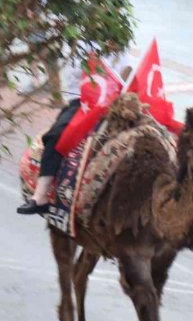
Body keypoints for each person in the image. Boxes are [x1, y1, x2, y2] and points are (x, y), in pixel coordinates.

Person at [17, 44, 133, 215]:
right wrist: (94, 67)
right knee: (56, 136)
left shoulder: (118, 42)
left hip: (114, 102)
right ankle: (41, 195)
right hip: (84, 101)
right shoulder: (80, 43)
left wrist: (119, 84)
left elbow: (128, 70)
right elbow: (74, 78)